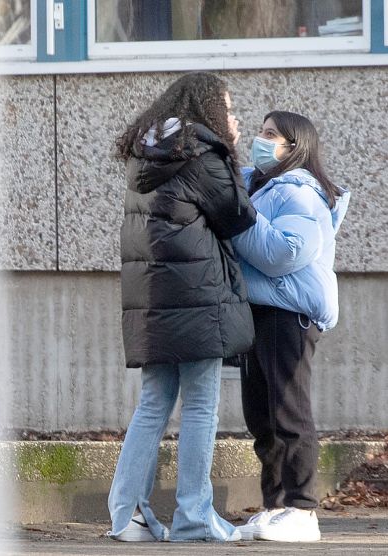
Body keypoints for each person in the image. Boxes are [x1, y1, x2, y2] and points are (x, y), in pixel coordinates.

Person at [108, 71, 258, 542]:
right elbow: (238, 215)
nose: (233, 119)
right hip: (197, 297)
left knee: (153, 404)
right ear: (207, 109)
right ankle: (194, 517)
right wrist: (230, 151)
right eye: (228, 110)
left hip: (154, 299)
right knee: (201, 407)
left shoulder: (148, 152)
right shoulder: (201, 153)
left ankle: (127, 516)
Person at [230, 111, 350, 543]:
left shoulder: (301, 192)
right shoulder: (261, 186)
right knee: (261, 416)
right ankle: (275, 505)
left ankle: (303, 509)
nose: (260, 141)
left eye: (269, 135)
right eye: (260, 132)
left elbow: (286, 252)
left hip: (289, 315)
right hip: (260, 311)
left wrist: (238, 221)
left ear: (293, 147)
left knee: (289, 413)